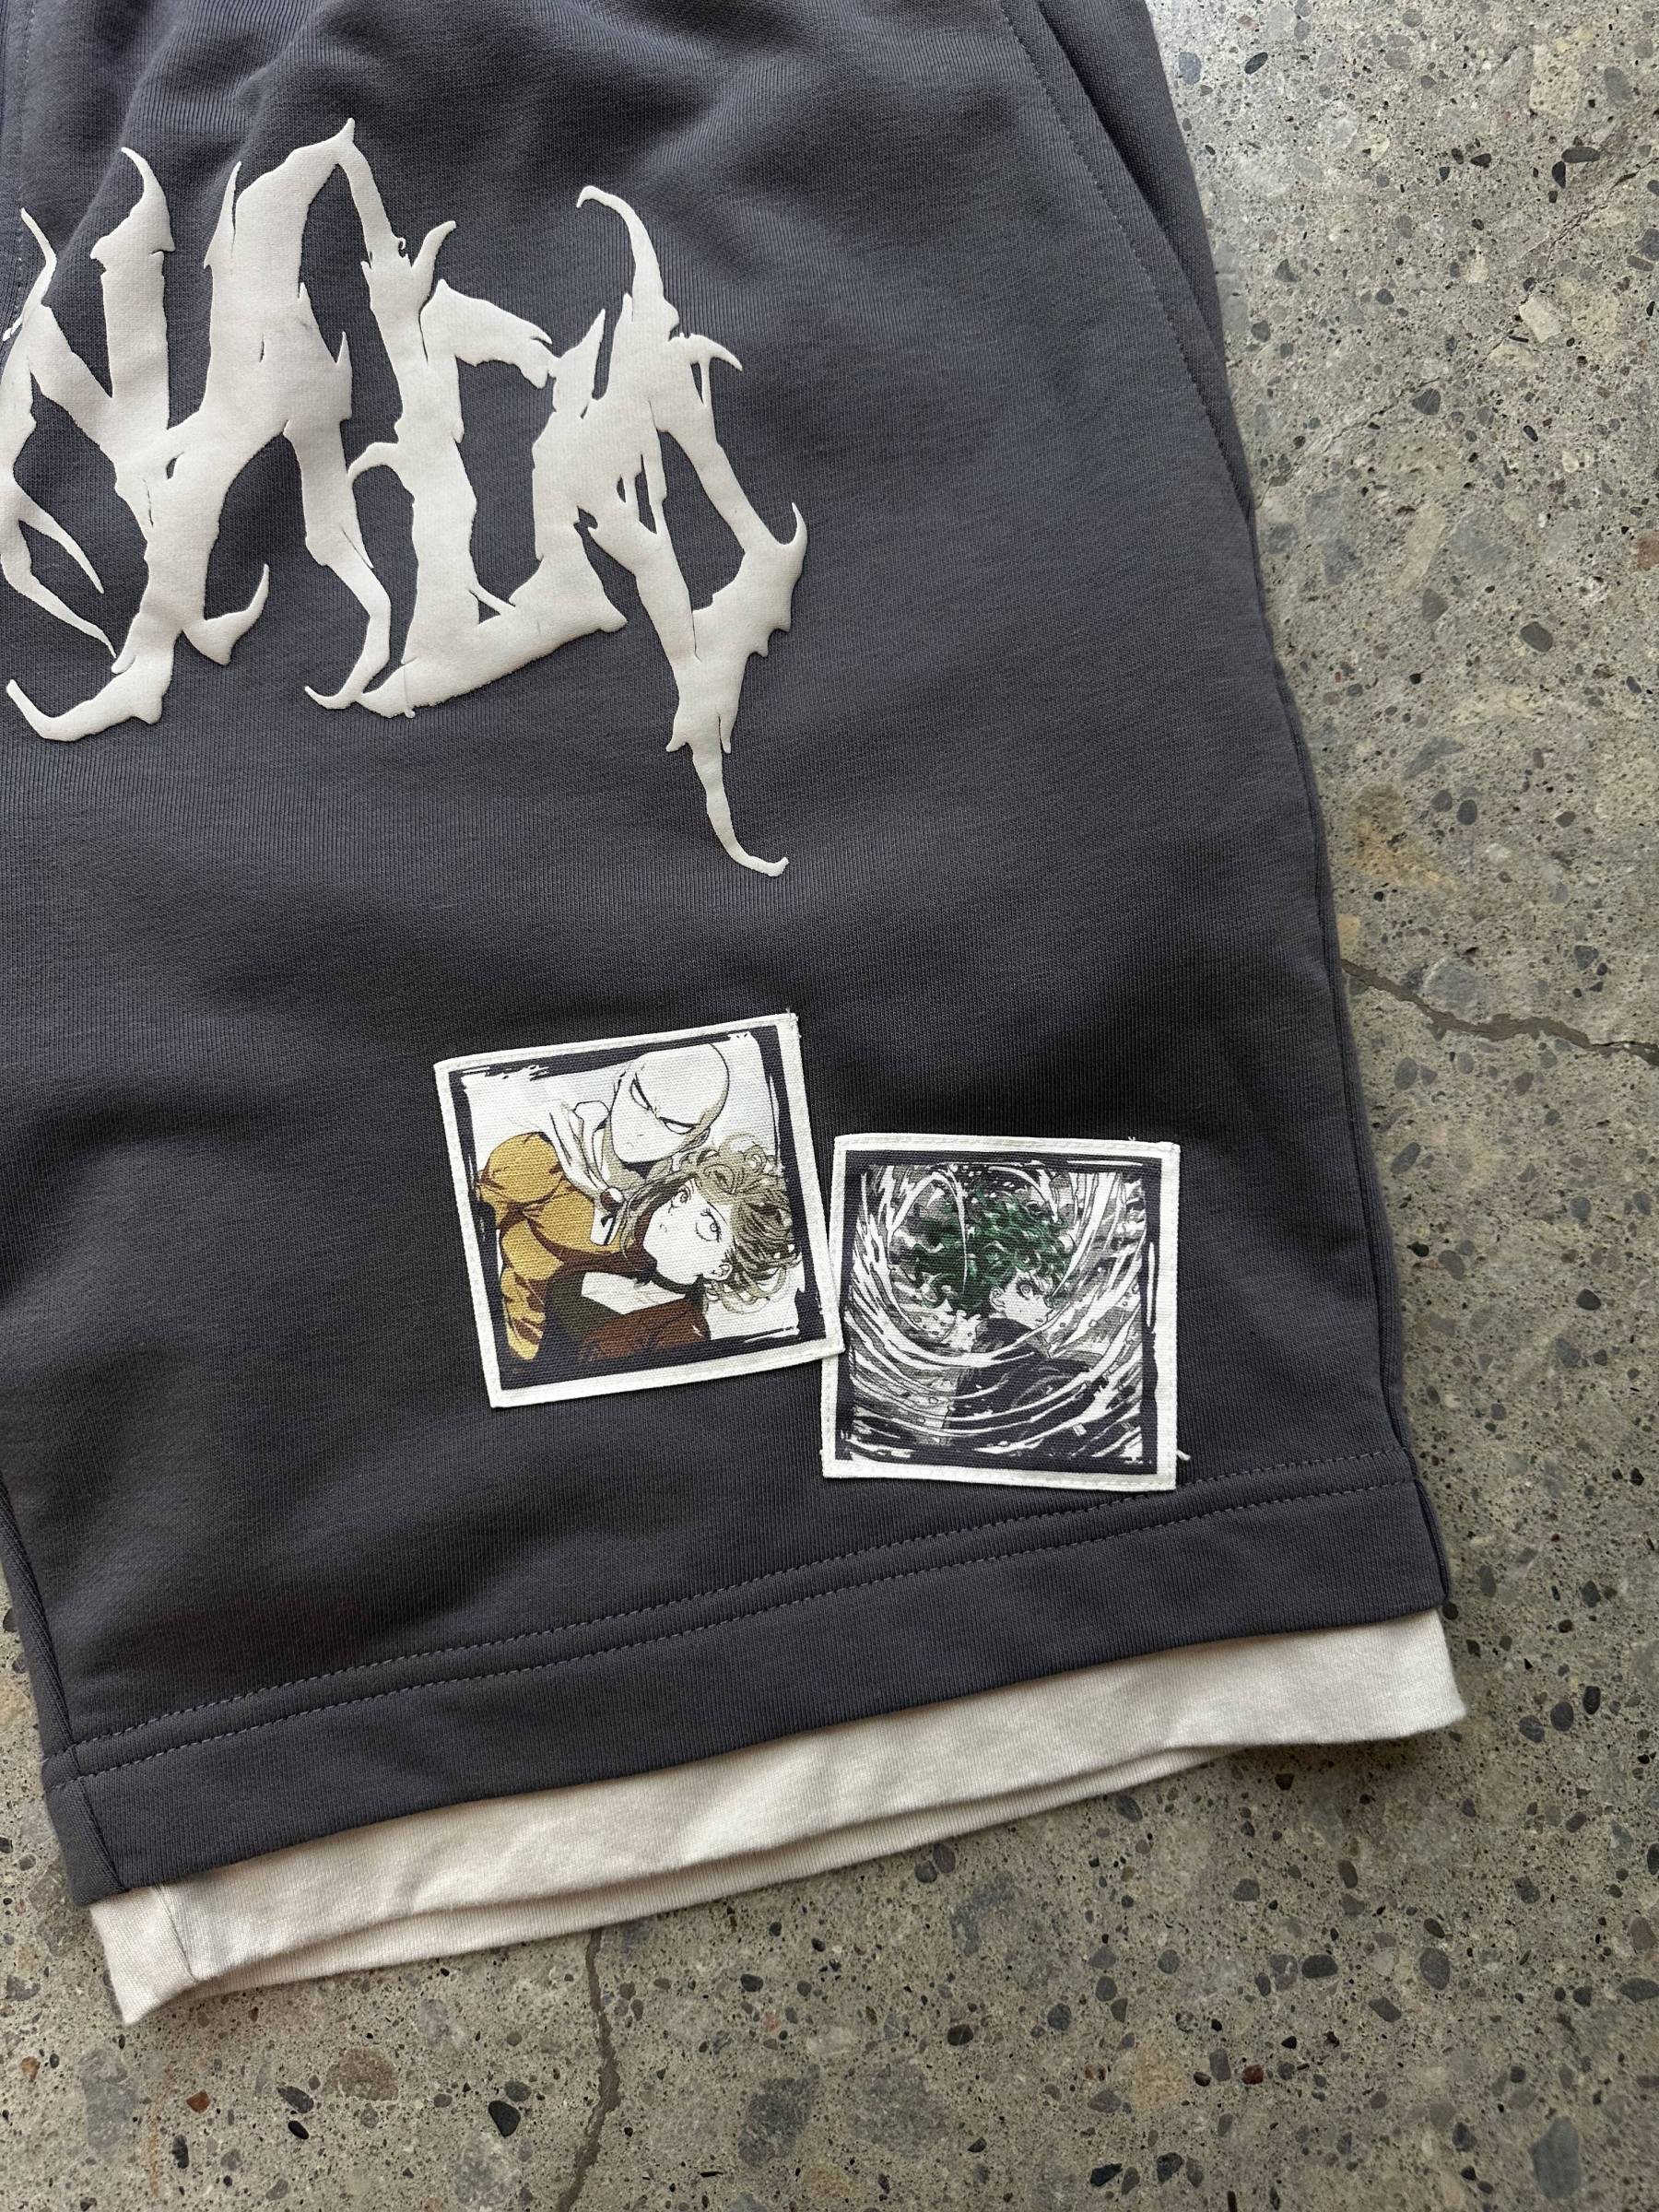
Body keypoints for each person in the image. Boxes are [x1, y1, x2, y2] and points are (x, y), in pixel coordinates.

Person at [475, 1041, 730, 1362]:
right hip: (515, 1346)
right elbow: (466, 1232)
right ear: (620, 1081)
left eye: (672, 1125)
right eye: (639, 1097)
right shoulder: (539, 1156)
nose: (641, 1128)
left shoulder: (675, 1198)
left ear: (696, 1139)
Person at [547, 1137, 799, 1362]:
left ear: (719, 1269)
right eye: (683, 1196)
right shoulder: (623, 1261)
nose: (676, 1213)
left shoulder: (684, 1333)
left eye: (709, 1225)